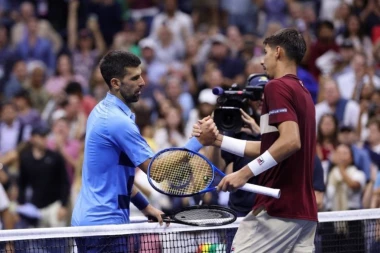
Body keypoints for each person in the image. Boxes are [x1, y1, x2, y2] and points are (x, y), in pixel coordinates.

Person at [71, 50, 217, 252]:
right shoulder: (116, 121)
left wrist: (145, 207)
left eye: (141, 75)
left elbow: (117, 178)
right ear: (115, 83)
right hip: (103, 227)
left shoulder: (102, 111)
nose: (142, 82)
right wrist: (198, 141)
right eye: (134, 77)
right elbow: (156, 169)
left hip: (95, 223)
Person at [196, 28, 317, 252]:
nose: (262, 61)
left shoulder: (276, 86)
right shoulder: (303, 91)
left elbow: (291, 142)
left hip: (279, 210)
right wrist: (219, 140)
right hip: (305, 213)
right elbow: (271, 148)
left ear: (278, 52)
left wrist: (244, 173)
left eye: (266, 52)